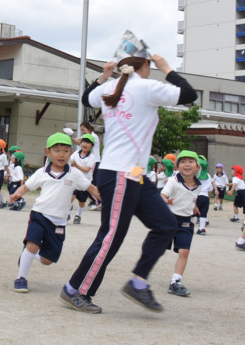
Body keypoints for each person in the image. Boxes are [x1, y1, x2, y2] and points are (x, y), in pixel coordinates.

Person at [62, 49, 197, 315]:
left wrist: (104, 76)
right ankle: (75, 289)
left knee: (166, 225)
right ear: (145, 64)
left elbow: (86, 98)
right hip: (120, 173)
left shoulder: (109, 87)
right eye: (150, 64)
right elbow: (189, 95)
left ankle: (138, 282)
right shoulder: (146, 87)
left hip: (134, 174)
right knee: (111, 236)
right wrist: (166, 68)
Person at [11, 133, 91, 294]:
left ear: (71, 153)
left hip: (59, 222)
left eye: (66, 151)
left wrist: (105, 197)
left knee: (47, 260)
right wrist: (16, 194)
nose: (61, 155)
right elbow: (26, 186)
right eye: (57, 150)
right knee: (32, 245)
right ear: (48, 152)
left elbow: (91, 188)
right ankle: (21, 278)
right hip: (39, 215)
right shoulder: (42, 172)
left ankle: (29, 253)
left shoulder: (74, 174)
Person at [160, 150, 202, 297]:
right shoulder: (173, 181)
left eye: (191, 161)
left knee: (184, 251)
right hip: (168, 219)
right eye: (183, 162)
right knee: (159, 250)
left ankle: (175, 282)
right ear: (177, 167)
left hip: (186, 221)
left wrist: (194, 206)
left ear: (198, 167)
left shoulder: (199, 185)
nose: (187, 164)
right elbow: (163, 194)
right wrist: (165, 200)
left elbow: (192, 197)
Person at [70, 134, 98, 223]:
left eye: (88, 143)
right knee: (71, 197)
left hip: (85, 182)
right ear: (80, 143)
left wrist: (76, 165)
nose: (85, 144)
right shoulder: (75, 153)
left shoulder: (91, 157)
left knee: (81, 202)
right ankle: (66, 213)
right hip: (74, 180)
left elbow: (86, 170)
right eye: (83, 142)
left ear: (92, 146)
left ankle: (78, 215)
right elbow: (70, 162)